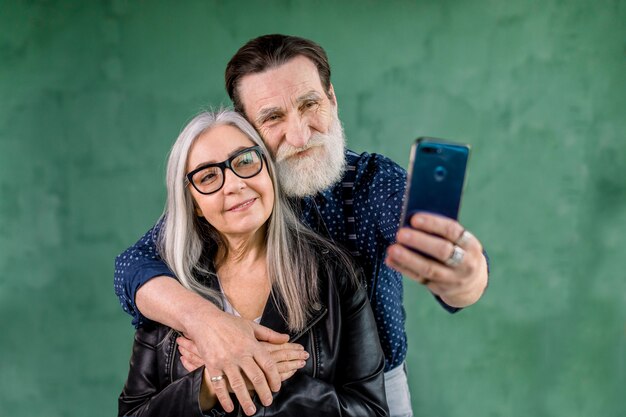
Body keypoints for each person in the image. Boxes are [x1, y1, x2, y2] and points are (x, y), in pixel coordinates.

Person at [114, 34, 489, 417]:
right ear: (247, 129)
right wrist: (210, 325)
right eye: (273, 117)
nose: (299, 135)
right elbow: (133, 266)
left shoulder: (371, 183)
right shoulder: (230, 197)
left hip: (364, 392)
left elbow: (443, 256)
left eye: (310, 104)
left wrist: (464, 275)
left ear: (332, 100)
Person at [118, 110, 389, 417]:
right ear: (194, 205)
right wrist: (207, 385)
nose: (233, 185)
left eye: (245, 161)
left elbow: (370, 411)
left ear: (268, 169)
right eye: (208, 176)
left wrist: (254, 377)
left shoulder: (335, 274)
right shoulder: (169, 286)